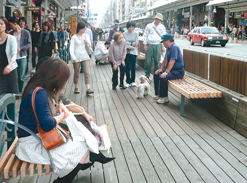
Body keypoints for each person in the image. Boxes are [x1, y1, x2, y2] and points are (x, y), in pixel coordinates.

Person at [16, 57, 114, 183]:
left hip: (35, 137)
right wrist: (63, 115)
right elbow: (47, 125)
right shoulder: (40, 93)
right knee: (85, 144)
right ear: (55, 78)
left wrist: (59, 107)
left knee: (83, 139)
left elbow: (42, 116)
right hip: (32, 144)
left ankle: (77, 166)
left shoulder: (36, 88)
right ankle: (66, 177)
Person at [153, 34, 184, 104]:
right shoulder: (168, 48)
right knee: (156, 74)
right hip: (172, 71)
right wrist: (161, 69)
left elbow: (172, 60)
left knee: (163, 77)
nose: (163, 44)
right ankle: (158, 94)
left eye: (163, 42)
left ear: (168, 41)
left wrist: (166, 72)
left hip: (178, 72)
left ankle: (164, 97)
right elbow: (165, 59)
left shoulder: (174, 48)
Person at [70, 22, 94, 95]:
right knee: (76, 73)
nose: (85, 30)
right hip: (76, 57)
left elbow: (90, 46)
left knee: (87, 72)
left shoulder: (86, 36)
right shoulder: (74, 37)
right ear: (80, 29)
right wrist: (73, 57)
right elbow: (71, 48)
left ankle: (88, 88)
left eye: (85, 28)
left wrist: (87, 42)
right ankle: (76, 87)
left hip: (85, 56)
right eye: (84, 28)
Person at [8, 17, 31, 93]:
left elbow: (29, 43)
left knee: (21, 76)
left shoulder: (25, 32)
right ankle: (15, 91)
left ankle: (19, 92)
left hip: (22, 57)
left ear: (15, 24)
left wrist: (21, 48)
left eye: (11, 25)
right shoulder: (10, 33)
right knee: (14, 76)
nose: (10, 27)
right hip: (12, 58)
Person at [143, 13, 166, 79]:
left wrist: (162, 46)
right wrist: (145, 44)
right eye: (157, 19)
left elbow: (163, 37)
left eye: (160, 20)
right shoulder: (149, 26)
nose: (158, 21)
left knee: (157, 61)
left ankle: (156, 75)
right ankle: (147, 75)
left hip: (158, 44)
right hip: (149, 44)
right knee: (148, 61)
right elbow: (145, 35)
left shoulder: (162, 27)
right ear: (155, 18)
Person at [0, 16, 19, 95]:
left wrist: (9, 65)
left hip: (10, 70)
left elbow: (14, 54)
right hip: (0, 71)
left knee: (12, 96)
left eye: (1, 24)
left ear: (5, 25)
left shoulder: (11, 38)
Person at [123, 21, 139, 88]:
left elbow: (136, 42)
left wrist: (129, 44)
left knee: (133, 66)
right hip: (126, 52)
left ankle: (133, 81)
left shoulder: (136, 33)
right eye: (129, 27)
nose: (131, 28)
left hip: (134, 51)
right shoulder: (124, 34)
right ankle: (128, 81)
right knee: (127, 67)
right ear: (127, 27)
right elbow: (124, 42)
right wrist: (130, 46)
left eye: (132, 27)